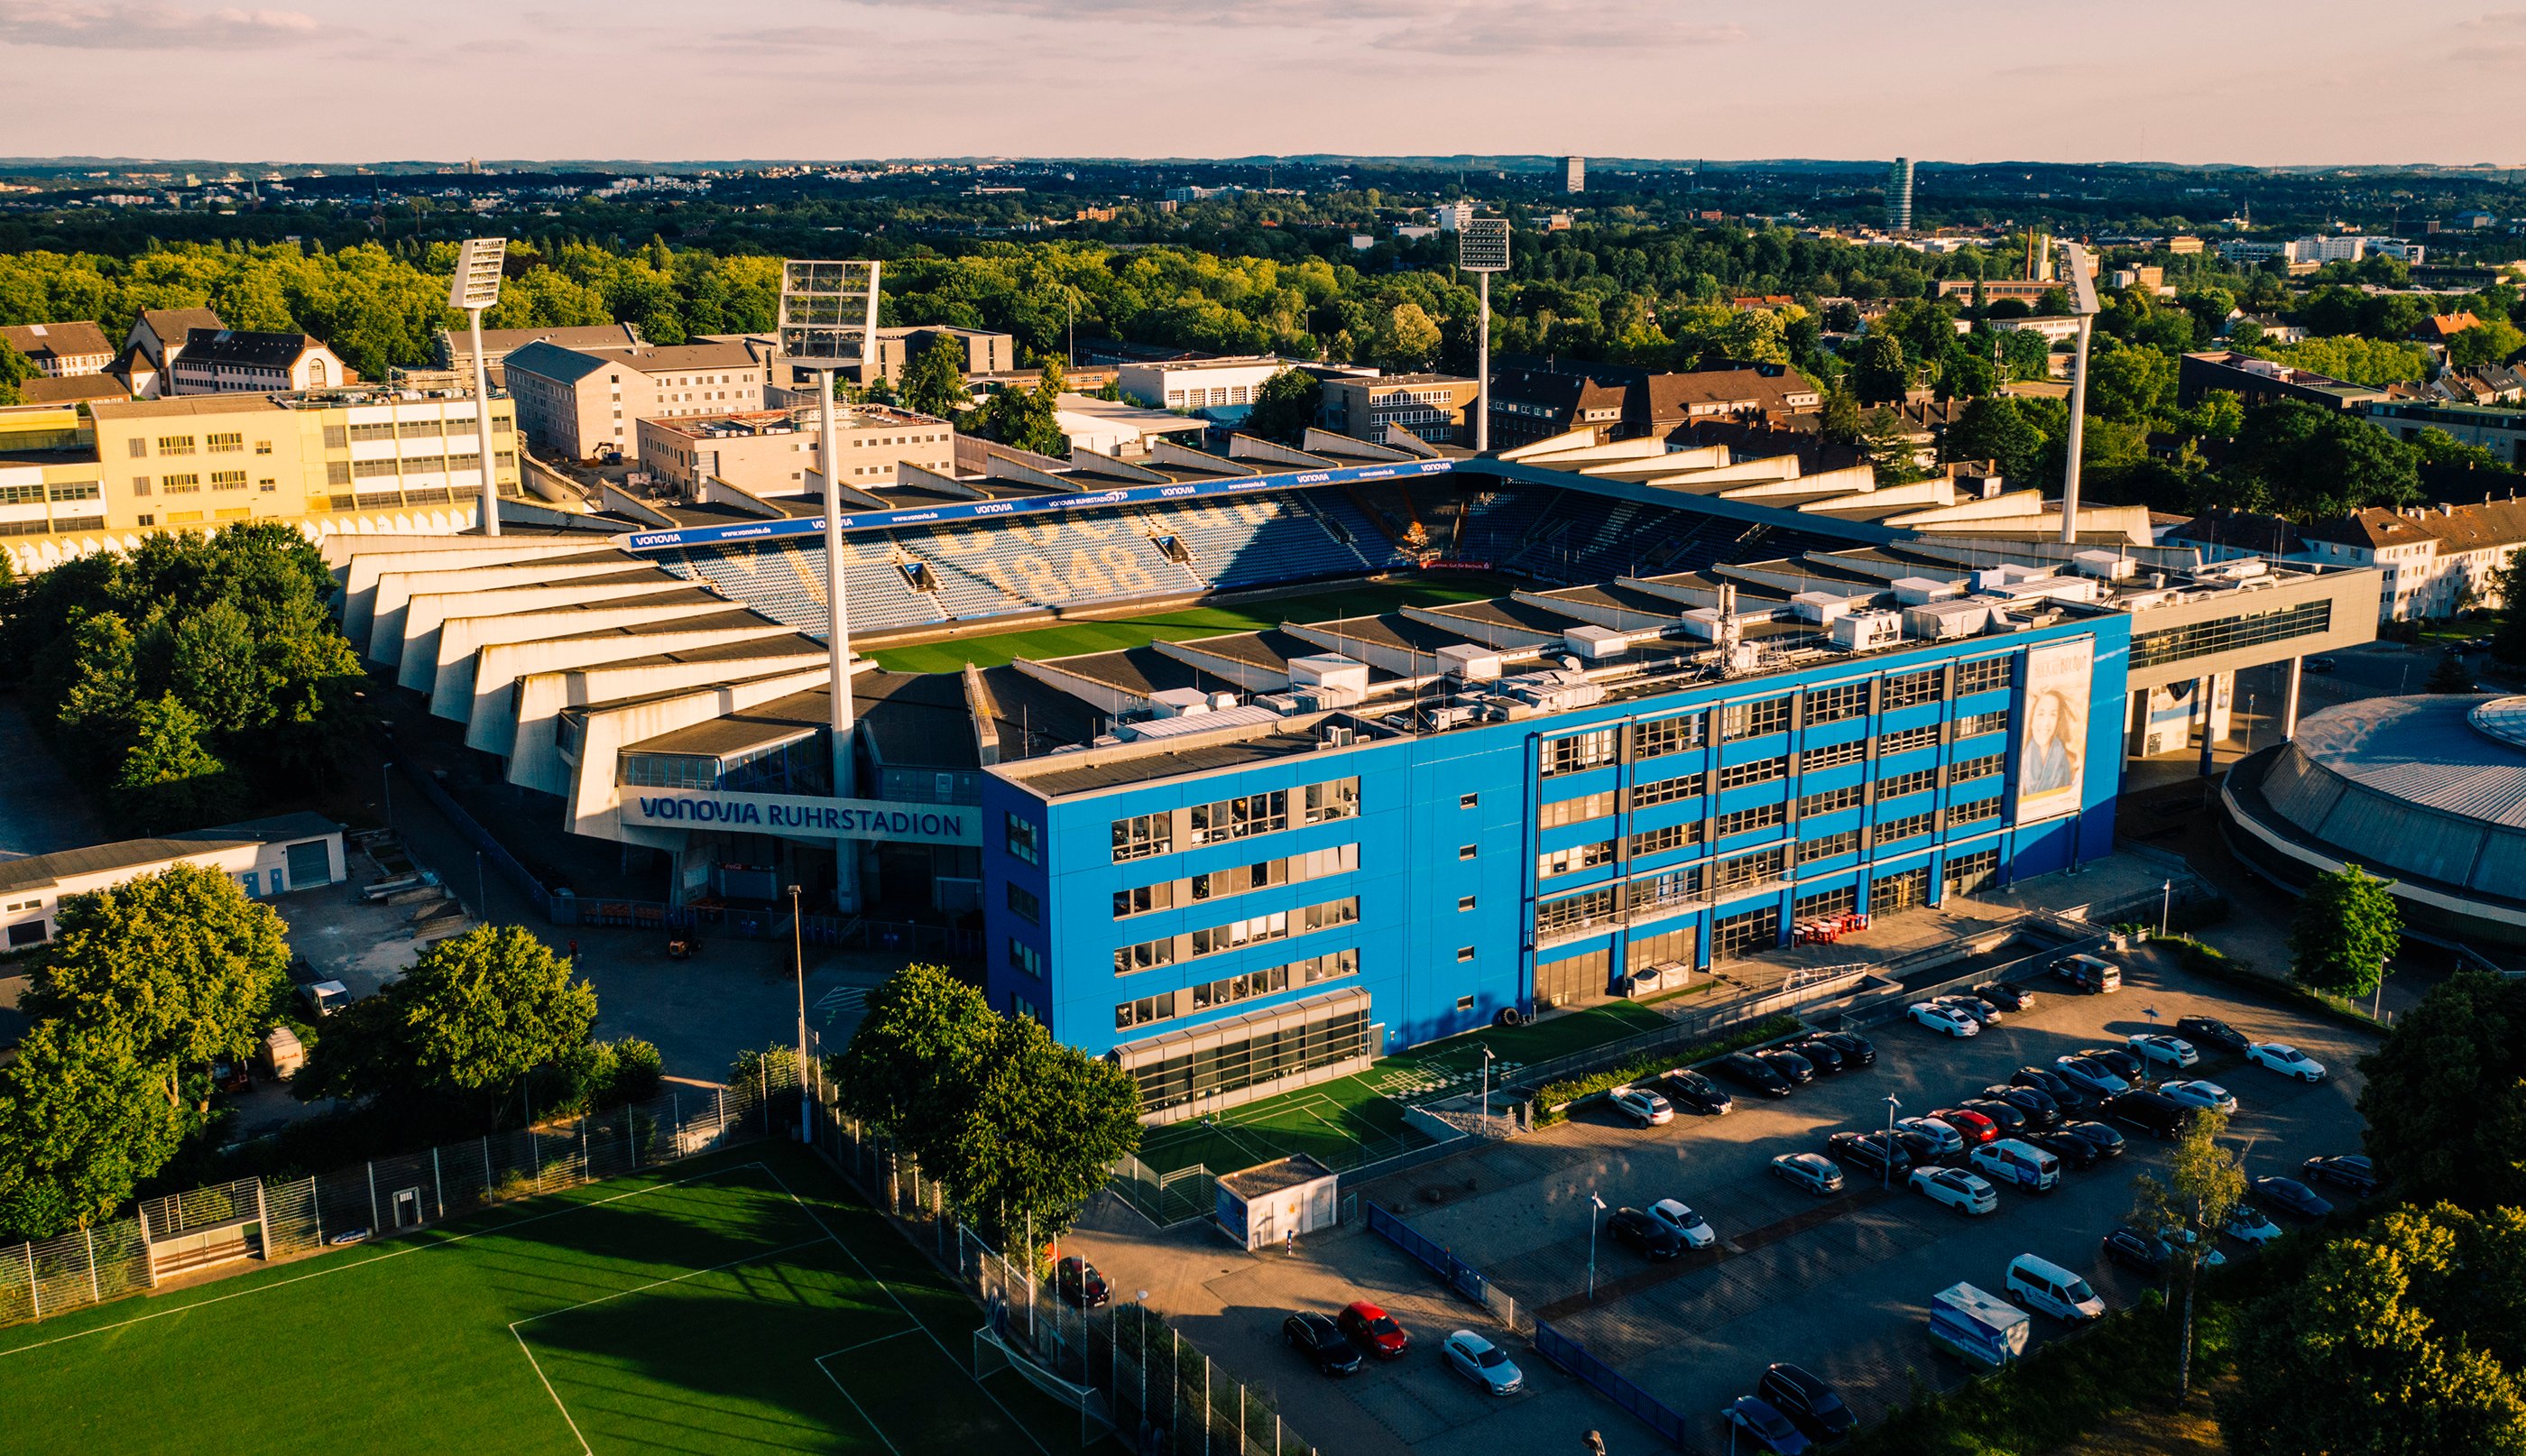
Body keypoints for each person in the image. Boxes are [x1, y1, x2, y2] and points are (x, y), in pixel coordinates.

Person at [2021, 687, 2083, 796]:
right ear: (2031, 720)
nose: (2046, 722)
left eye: (2053, 715)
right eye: (2041, 714)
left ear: (2058, 721)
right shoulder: (2018, 760)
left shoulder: (2072, 761)